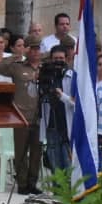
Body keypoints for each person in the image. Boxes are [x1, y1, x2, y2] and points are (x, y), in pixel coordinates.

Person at [0, 36, 44, 194]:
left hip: (40, 116)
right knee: (21, 152)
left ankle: (33, 183)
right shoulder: (17, 67)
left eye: (38, 48)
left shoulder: (45, 67)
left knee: (36, 153)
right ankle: (22, 184)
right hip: (22, 116)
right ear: (27, 49)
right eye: (32, 48)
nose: (35, 51)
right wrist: (15, 56)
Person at [38, 45, 74, 174]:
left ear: (67, 59)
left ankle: (70, 193)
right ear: (50, 60)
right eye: (55, 58)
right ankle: (56, 192)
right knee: (55, 167)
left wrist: (62, 96)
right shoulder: (46, 76)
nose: (58, 61)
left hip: (67, 126)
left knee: (69, 164)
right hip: (51, 126)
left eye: (61, 58)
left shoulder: (72, 76)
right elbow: (35, 96)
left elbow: (76, 103)